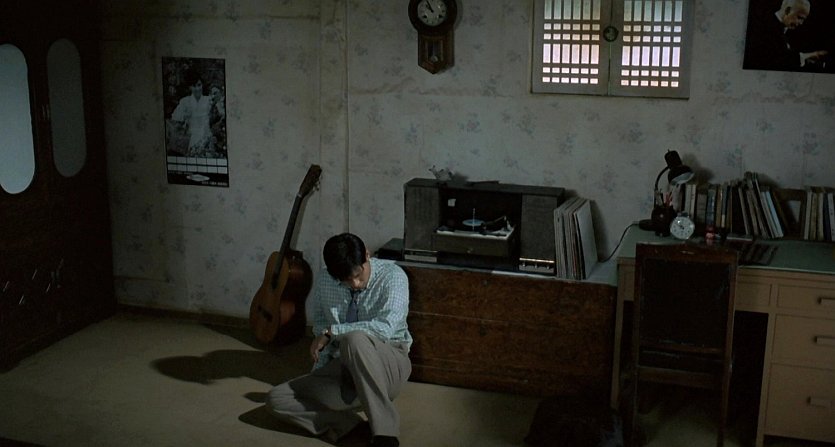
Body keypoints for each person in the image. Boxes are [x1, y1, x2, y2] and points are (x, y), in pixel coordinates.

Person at [266, 233, 412, 447]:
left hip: (388, 365)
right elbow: (321, 328)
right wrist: (320, 371)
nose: (354, 283)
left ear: (367, 255)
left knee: (354, 339)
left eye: (358, 275)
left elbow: (385, 329)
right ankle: (350, 426)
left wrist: (333, 332)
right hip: (344, 367)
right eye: (345, 280)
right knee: (277, 398)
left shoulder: (393, 277)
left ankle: (385, 433)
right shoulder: (326, 280)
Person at [743, 0, 829, 71]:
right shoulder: (764, 27)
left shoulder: (780, 28)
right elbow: (780, 58)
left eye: (803, 20)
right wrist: (811, 55)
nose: (801, 23)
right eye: (799, 17)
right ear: (787, 10)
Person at [167, 69, 213, 155]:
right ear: (189, 87)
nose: (197, 88)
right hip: (191, 138)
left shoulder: (209, 100)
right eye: (194, 86)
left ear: (202, 85)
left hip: (207, 137)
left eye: (199, 85)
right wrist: (185, 118)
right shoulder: (185, 101)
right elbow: (175, 119)